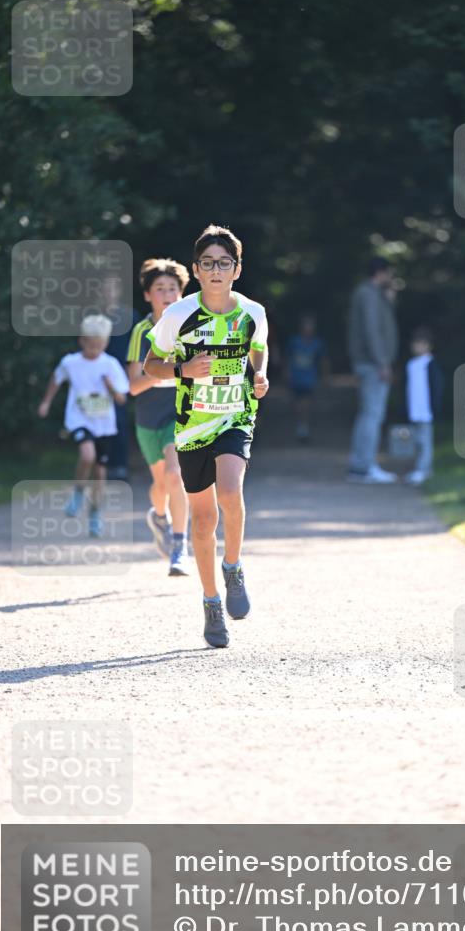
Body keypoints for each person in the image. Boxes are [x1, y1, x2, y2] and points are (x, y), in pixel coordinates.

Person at [143, 223, 269, 648]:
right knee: (202, 520)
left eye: (225, 263)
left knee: (230, 492)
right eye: (209, 263)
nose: (217, 270)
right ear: (196, 270)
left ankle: (233, 567)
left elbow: (259, 345)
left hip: (236, 416)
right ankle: (211, 602)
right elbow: (150, 366)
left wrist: (261, 373)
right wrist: (183, 369)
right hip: (193, 425)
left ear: (237, 269)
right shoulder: (178, 315)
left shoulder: (252, 312)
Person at [37, 314, 129, 536]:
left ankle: (95, 513)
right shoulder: (71, 362)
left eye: (99, 345)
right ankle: (78, 491)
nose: (94, 349)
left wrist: (111, 388)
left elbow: (122, 399)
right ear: (81, 341)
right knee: (87, 455)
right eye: (90, 344)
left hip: (104, 425)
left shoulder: (110, 365)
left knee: (99, 472)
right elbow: (56, 379)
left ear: (105, 343)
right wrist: (46, 402)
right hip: (79, 419)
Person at [127, 258, 191, 575]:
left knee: (176, 474)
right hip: (148, 416)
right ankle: (159, 516)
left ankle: (180, 547)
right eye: (160, 289)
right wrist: (163, 370)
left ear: (182, 293)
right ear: (147, 295)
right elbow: (133, 386)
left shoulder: (191, 327)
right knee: (160, 485)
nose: (167, 294)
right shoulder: (142, 331)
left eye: (173, 289)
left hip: (180, 413)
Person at [347, 256, 399, 484]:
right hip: (372, 364)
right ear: (381, 272)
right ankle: (364, 467)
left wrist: (390, 301)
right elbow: (372, 331)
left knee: (369, 413)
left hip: (371, 362)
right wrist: (382, 362)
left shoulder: (374, 294)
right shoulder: (368, 294)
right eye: (390, 273)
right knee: (372, 414)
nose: (392, 278)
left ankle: (362, 465)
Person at [101, 274, 137, 480]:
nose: (108, 293)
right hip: (97, 375)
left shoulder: (130, 316)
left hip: (121, 375)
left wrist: (131, 368)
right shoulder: (93, 316)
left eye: (111, 289)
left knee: (119, 419)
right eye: (104, 289)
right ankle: (101, 464)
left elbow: (140, 343)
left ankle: (119, 465)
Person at [404, 327, 444, 485]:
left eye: (422, 344)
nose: (418, 347)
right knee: (416, 441)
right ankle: (419, 468)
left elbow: (437, 387)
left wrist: (435, 406)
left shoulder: (431, 365)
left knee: (425, 441)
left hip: (426, 410)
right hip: (414, 410)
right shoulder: (411, 364)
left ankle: (424, 469)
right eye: (416, 344)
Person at [286, 312, 327, 441]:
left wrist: (325, 376)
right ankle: (301, 426)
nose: (308, 328)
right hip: (296, 378)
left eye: (310, 325)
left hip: (309, 379)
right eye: (306, 325)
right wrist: (286, 374)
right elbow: (287, 359)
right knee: (298, 404)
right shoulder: (294, 342)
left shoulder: (317, 343)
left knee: (306, 403)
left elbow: (323, 361)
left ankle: (304, 428)